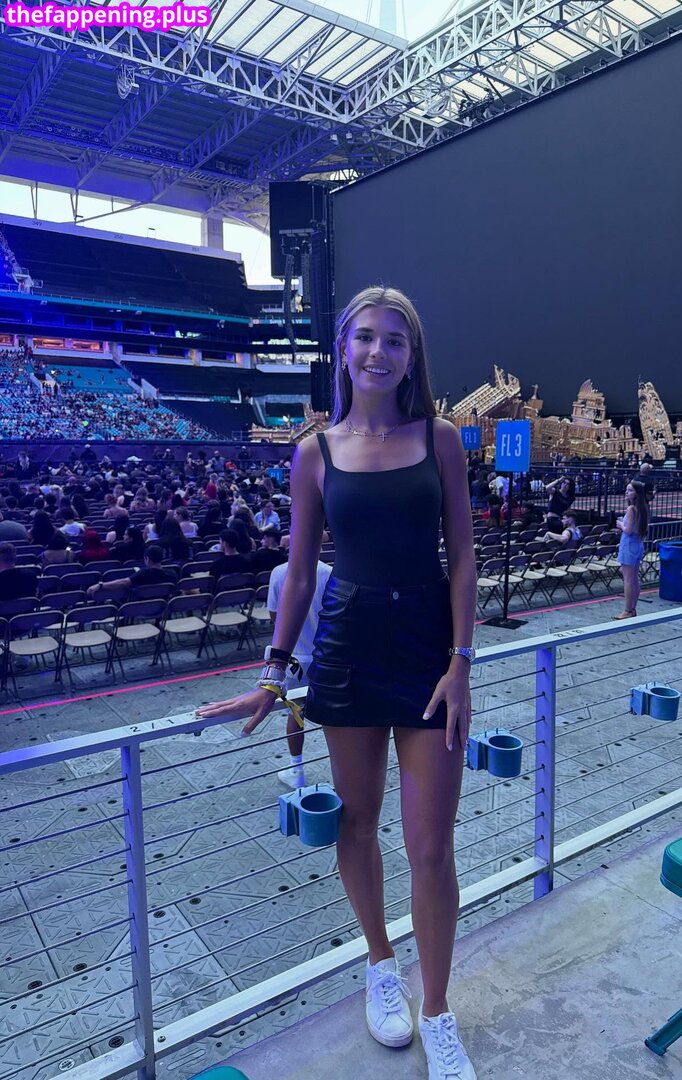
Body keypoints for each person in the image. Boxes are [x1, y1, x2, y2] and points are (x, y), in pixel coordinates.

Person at [196, 286, 478, 1079]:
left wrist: (461, 663)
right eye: (365, 337)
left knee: (432, 848)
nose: (378, 351)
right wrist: (272, 675)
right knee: (356, 825)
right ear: (344, 350)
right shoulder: (314, 452)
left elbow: (463, 559)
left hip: (426, 650)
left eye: (395, 339)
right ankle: (381, 966)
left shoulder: (441, 439)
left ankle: (437, 1010)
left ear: (412, 357)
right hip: (348, 644)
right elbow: (297, 575)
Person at [267, 532, 332, 788]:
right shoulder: (329, 572)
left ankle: (297, 769)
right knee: (333, 714)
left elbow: (275, 617)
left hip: (294, 657)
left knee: (295, 714)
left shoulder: (279, 573)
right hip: (325, 655)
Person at [614, 480, 648, 620]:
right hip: (637, 544)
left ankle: (628, 610)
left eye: (630, 490)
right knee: (634, 578)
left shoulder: (631, 509)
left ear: (636, 494)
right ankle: (632, 608)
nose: (626, 492)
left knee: (628, 579)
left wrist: (620, 524)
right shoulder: (643, 508)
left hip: (629, 545)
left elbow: (627, 530)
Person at [88, 544, 175, 598]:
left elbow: (123, 583)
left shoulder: (143, 574)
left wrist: (100, 585)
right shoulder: (172, 573)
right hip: (162, 608)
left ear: (147, 559)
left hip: (141, 608)